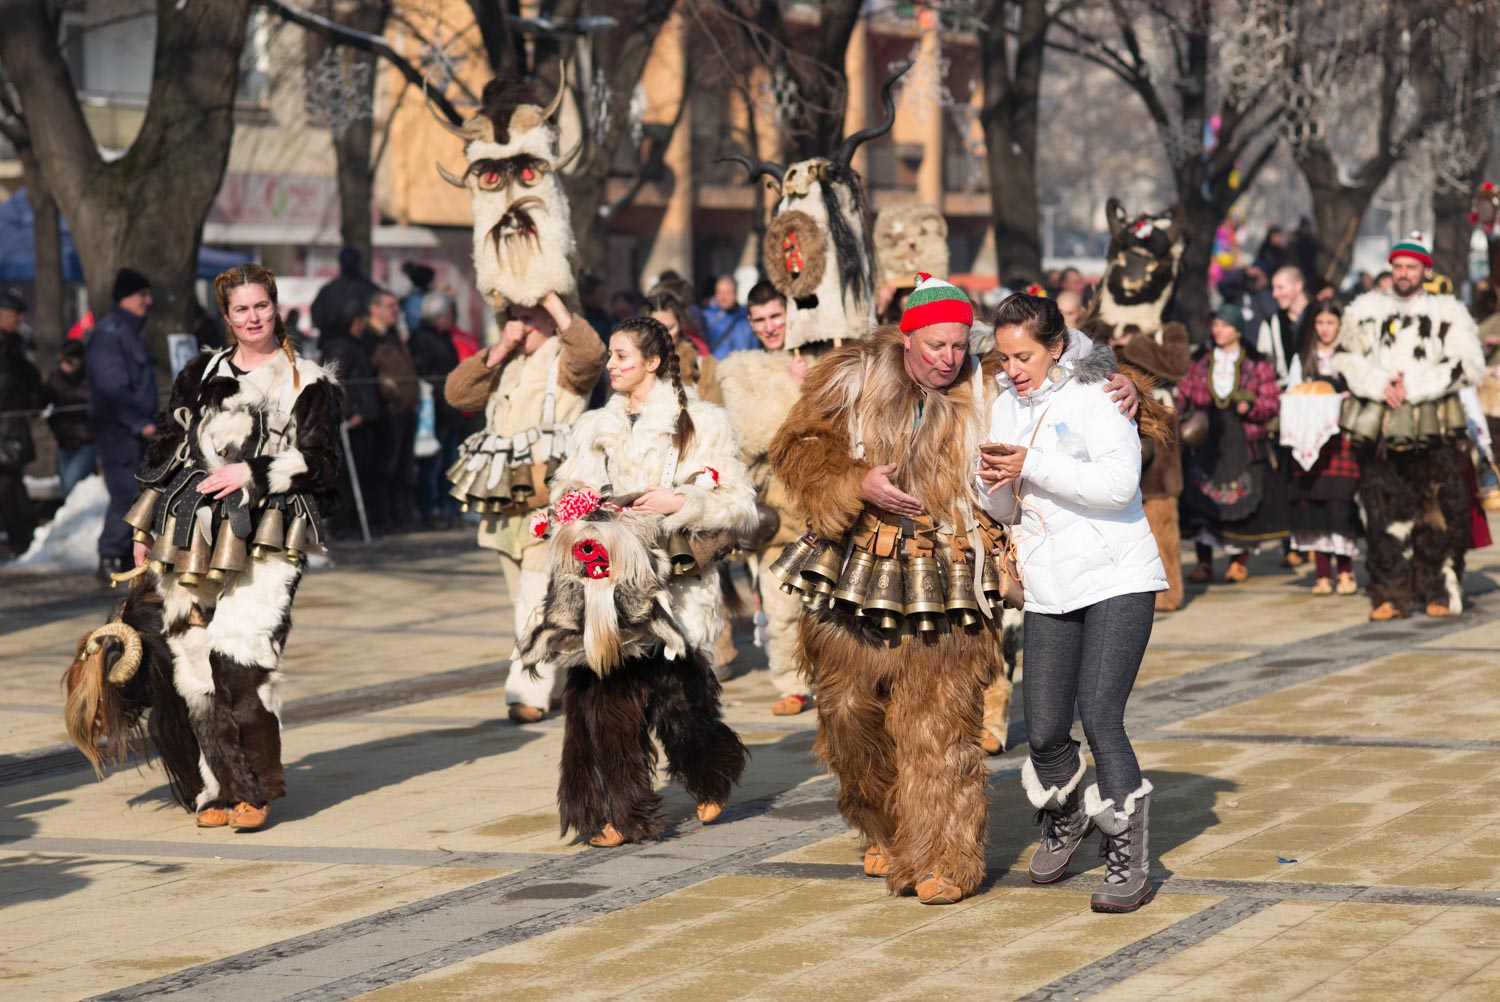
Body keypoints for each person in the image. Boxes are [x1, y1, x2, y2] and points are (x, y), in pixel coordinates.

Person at [768, 274, 1143, 906]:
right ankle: (886, 827)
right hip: (855, 567)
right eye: (935, 345)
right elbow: (797, 446)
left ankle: (948, 857)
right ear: (907, 338)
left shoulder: (987, 375)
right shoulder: (854, 373)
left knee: (938, 724)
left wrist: (1125, 383)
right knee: (848, 717)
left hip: (951, 568)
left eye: (956, 345)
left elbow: (1061, 356)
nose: (947, 358)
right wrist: (855, 483)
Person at [117, 263, 342, 831]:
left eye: (261, 307)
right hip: (191, 534)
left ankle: (257, 789)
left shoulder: (307, 380)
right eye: (241, 310)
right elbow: (168, 449)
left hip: (270, 531)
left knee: (242, 658)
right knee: (194, 662)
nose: (252, 318)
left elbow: (322, 464)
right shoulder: (201, 371)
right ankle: (216, 786)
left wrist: (253, 470)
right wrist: (144, 530)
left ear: (276, 308)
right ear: (227, 316)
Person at [977, 293, 1167, 914]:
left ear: (1057, 346)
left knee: (1100, 715)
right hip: (1048, 582)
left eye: (1024, 355)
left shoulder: (1098, 394)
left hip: (1117, 575)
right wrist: (995, 487)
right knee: (1047, 726)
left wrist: (1035, 462)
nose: (1013, 368)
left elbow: (1119, 487)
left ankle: (1128, 855)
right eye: (1005, 357)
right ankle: (1064, 816)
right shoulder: (1005, 407)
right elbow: (1008, 508)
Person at [546, 315, 758, 846]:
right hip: (605, 586)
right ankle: (619, 811)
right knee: (599, 697)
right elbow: (569, 487)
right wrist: (572, 504)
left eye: (621, 356)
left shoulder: (703, 423)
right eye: (611, 356)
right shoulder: (595, 426)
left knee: (678, 696)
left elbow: (739, 504)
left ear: (653, 362)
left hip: (674, 583)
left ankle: (710, 772)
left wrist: (681, 501)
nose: (611, 365)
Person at [444, 292, 606, 722]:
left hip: (552, 500)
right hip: (504, 500)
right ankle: (561, 676)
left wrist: (553, 300)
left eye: (529, 318)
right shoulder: (504, 360)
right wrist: (497, 350)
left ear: (551, 321)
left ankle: (528, 690)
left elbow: (592, 354)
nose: (521, 325)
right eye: (514, 317)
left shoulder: (566, 359)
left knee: (535, 599)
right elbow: (458, 394)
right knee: (525, 598)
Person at [1334, 233, 1485, 620]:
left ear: (1425, 270)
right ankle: (1389, 593)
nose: (1403, 274)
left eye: (1411, 267)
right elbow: (1345, 358)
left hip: (1434, 427)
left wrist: (1414, 386)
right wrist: (1381, 383)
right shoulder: (1365, 310)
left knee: (1437, 510)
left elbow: (1468, 363)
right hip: (1380, 427)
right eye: (1398, 267)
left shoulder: (1448, 313)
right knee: (1381, 511)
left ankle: (1436, 588)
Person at [716, 281, 812, 715]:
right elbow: (755, 433)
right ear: (750, 323)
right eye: (761, 319)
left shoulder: (823, 354)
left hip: (824, 501)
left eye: (777, 316)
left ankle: (835, 681)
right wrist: (798, 390)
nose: (771, 327)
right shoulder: (741, 368)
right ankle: (791, 683)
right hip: (776, 509)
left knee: (829, 607)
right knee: (780, 603)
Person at [1179, 304, 1284, 583]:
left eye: (1224, 325)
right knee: (1201, 499)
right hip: (1207, 441)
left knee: (1244, 498)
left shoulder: (1256, 363)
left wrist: (1250, 407)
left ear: (1237, 329)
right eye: (1215, 325)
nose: (1218, 331)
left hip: (1243, 441)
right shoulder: (1201, 360)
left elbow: (1272, 402)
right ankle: (1204, 562)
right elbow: (1185, 397)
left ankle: (1238, 561)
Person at [1283, 302, 1361, 596]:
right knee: (1312, 502)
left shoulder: (1349, 357)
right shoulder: (1303, 358)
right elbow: (1293, 391)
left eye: (1330, 322)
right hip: (1309, 436)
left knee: (1340, 503)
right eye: (1320, 323)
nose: (1325, 329)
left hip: (1341, 439)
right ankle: (1322, 574)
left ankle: (1345, 571)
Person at [86, 268, 159, 581]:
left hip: (131, 431)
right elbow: (111, 385)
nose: (149, 301)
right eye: (143, 295)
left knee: (136, 494)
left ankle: (123, 554)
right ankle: (111, 558)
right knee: (125, 495)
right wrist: (139, 421)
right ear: (127, 297)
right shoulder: (110, 334)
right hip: (119, 431)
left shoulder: (126, 332)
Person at [319, 300, 380, 538]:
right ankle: (342, 523)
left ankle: (350, 522)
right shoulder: (341, 347)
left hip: (360, 419)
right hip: (348, 422)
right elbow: (336, 383)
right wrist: (348, 413)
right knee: (344, 475)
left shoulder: (354, 345)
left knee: (361, 472)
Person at [363, 289, 419, 532]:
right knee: (385, 467)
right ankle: (382, 517)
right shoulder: (369, 338)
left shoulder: (394, 335)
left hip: (406, 411)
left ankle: (401, 515)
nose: (395, 311)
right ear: (374, 309)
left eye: (396, 306)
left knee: (403, 467)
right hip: (387, 414)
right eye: (389, 306)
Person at [410, 291, 463, 529]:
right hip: (433, 412)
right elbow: (421, 371)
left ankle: (448, 510)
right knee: (431, 466)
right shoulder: (421, 339)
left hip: (449, 409)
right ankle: (429, 510)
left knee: (450, 464)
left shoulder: (445, 338)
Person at [0, 289, 41, 556]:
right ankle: (17, 537)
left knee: (12, 481)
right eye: (15, 313)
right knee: (7, 484)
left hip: (11, 424)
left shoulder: (13, 344)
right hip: (6, 423)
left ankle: (19, 536)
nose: (20, 318)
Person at [642, 291, 721, 405]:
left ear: (680, 324)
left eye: (670, 327)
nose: (664, 335)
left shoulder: (703, 366)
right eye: (657, 329)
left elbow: (716, 414)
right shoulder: (633, 364)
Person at [45, 340, 97, 498]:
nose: (66, 367)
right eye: (62, 362)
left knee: (71, 485)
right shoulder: (54, 380)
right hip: (64, 442)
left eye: (71, 362)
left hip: (86, 442)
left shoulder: (91, 379)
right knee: (68, 489)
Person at [1256, 265, 1312, 390]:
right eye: (1273, 288)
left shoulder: (1318, 317)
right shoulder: (1271, 325)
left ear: (1298, 286)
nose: (1274, 294)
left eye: (1280, 288)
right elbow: (1264, 366)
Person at [311, 246, 379, 339]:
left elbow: (317, 318)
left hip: (332, 341)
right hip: (362, 343)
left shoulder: (328, 290)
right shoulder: (370, 288)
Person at [701, 276, 756, 359]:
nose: (723, 297)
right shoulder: (707, 316)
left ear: (736, 294)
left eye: (727, 292)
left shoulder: (748, 316)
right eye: (719, 292)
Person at [399, 261, 436, 337]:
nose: (435, 284)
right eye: (432, 281)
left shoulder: (421, 296)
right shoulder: (415, 299)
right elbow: (415, 323)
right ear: (427, 282)